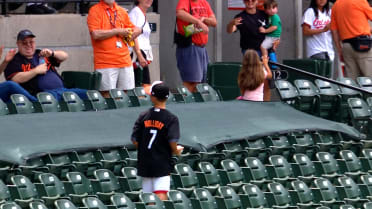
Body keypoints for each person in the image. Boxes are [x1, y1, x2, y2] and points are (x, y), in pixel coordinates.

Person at [131, 81, 183, 200]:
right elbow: (172, 141)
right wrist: (176, 150)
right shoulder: (171, 118)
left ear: (152, 96)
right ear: (167, 96)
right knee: (161, 195)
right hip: (161, 162)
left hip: (145, 161)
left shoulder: (143, 116)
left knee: (149, 198)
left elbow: (134, 140)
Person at [4, 29, 87, 101]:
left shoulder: (41, 53)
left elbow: (64, 56)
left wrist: (52, 53)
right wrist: (36, 71)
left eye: (31, 42)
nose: (28, 45)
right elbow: (15, 79)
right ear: (18, 44)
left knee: (89, 95)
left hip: (63, 90)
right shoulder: (15, 59)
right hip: (42, 95)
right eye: (24, 43)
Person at [87, 0, 142, 98]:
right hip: (105, 62)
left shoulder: (121, 11)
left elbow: (132, 29)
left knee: (125, 95)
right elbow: (95, 34)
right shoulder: (95, 10)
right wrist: (117, 31)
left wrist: (137, 31)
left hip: (125, 60)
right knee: (107, 95)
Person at [227, 0, 274, 101]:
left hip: (265, 51)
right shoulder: (240, 16)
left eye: (253, 0)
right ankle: (249, 103)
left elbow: (275, 28)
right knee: (251, 80)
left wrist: (276, 41)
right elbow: (230, 30)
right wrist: (231, 23)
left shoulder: (264, 14)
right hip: (250, 54)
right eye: (247, 0)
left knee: (267, 82)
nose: (250, 2)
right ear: (244, 2)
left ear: (257, 1)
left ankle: (266, 106)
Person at [175, 0, 217, 93]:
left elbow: (214, 22)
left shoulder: (204, 2)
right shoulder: (185, 1)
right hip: (189, 46)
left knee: (202, 84)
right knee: (192, 83)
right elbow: (179, 13)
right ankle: (187, 105)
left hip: (201, 48)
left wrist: (203, 19)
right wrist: (198, 21)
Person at [331, 0, 372, 80]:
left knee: (352, 81)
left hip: (346, 46)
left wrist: (339, 49)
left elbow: (334, 31)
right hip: (363, 44)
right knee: (369, 79)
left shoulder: (336, 5)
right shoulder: (360, 1)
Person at [129, 0, 154, 93]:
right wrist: (139, 54)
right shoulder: (135, 13)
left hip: (142, 53)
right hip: (137, 53)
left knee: (145, 84)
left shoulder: (142, 13)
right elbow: (133, 34)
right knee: (143, 84)